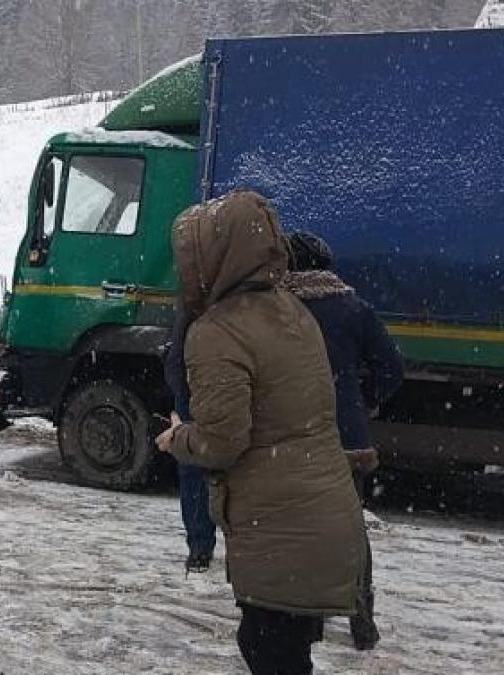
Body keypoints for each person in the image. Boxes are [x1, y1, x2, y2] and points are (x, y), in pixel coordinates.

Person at [155, 190, 364, 674]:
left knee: (267, 650)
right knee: (284, 653)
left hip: (278, 529)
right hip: (323, 516)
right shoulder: (293, 311)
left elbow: (223, 442)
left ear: (213, 258)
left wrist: (178, 438)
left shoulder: (218, 330)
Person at [284, 230, 405, 652]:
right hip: (345, 439)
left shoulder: (278, 308)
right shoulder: (354, 307)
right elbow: (391, 367)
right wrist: (364, 401)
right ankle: (361, 616)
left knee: (300, 529)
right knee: (349, 529)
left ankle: (309, 618)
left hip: (292, 435)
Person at [162, 304, 216, 574]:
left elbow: (175, 357)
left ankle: (200, 547)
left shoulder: (195, 303)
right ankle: (209, 545)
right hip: (218, 393)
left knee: (193, 467)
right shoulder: (240, 303)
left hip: (195, 392)